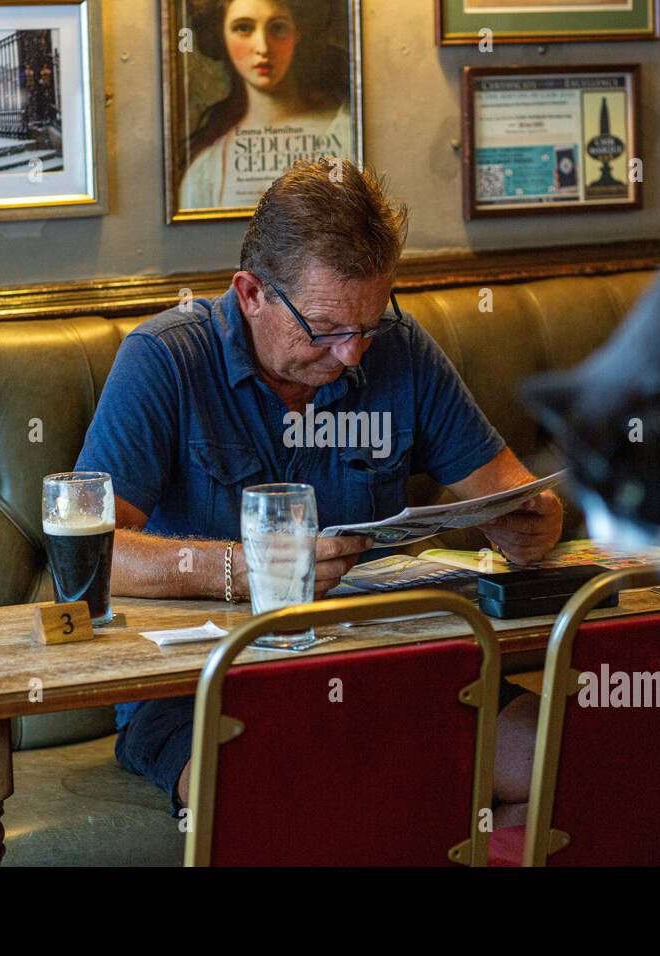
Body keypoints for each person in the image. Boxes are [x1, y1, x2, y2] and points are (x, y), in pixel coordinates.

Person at [76, 160, 563, 826]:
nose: (353, 355)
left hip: (389, 668)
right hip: (201, 688)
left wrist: (535, 521)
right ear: (251, 293)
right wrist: (241, 569)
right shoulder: (165, 360)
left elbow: (512, 491)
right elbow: (94, 555)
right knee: (292, 797)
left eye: (368, 325)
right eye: (327, 329)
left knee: (578, 759)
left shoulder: (399, 350)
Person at [179, 0, 352, 210]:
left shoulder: (345, 132)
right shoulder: (206, 171)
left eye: (277, 27)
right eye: (243, 28)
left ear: (298, 32)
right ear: (221, 35)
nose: (263, 47)